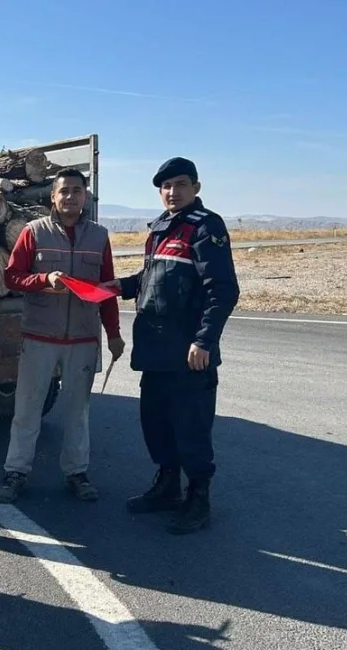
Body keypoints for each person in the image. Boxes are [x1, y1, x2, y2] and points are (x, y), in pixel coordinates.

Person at [102, 157, 239, 534]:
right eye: (166, 186)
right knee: (157, 424)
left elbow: (223, 290)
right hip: (156, 350)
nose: (172, 192)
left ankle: (198, 498)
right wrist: (121, 286)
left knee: (191, 426)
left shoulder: (205, 227)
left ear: (196, 187)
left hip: (188, 353)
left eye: (180, 184)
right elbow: (153, 278)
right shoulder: (161, 229)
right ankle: (167, 486)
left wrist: (204, 340)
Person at [0, 168, 124, 504]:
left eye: (76, 191)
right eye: (63, 191)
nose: (70, 197)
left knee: (78, 410)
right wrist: (42, 280)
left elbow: (107, 289)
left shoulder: (99, 237)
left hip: (82, 339)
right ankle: (16, 472)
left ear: (85, 196)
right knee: (27, 408)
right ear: (52, 196)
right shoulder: (33, 232)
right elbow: (11, 278)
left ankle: (77, 472)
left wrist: (113, 334)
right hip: (39, 336)